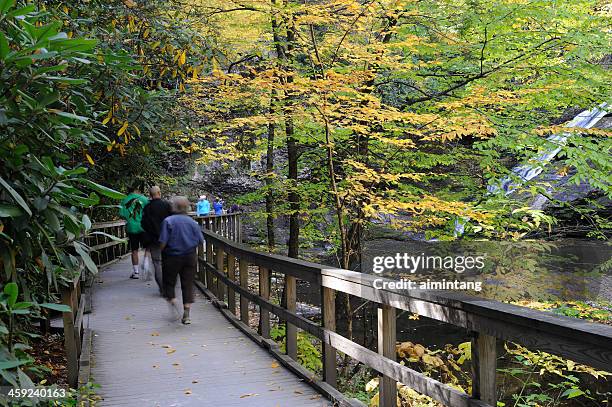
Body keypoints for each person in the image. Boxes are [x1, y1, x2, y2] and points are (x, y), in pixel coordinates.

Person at [159, 196, 203, 325]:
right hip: (190, 256)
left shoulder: (168, 221)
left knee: (169, 281)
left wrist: (161, 252)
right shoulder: (192, 223)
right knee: (188, 283)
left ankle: (173, 300)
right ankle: (187, 313)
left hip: (172, 256)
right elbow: (200, 240)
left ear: (175, 207)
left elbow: (163, 241)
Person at [141, 186, 172, 293]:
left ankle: (162, 288)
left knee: (157, 263)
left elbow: (143, 224)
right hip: (167, 239)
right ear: (159, 193)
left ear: (150, 195)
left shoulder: (147, 208)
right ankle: (169, 286)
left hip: (154, 240)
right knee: (168, 262)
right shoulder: (166, 205)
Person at [119, 182, 149, 279]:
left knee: (134, 250)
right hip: (144, 227)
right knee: (147, 248)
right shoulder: (144, 199)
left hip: (132, 227)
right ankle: (146, 265)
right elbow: (149, 212)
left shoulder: (125, 200)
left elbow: (122, 214)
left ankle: (136, 272)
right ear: (138, 189)